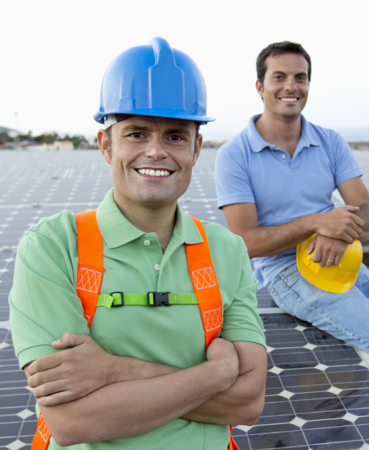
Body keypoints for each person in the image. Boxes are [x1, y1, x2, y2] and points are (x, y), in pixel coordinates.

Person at [9, 37, 266, 450]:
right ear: (106, 145)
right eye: (136, 133)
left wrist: (112, 371)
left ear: (197, 149)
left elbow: (247, 402)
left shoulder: (226, 250)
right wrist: (215, 375)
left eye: (176, 136)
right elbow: (72, 421)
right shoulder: (53, 247)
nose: (156, 151)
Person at [215, 41, 369, 409]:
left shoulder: (329, 141)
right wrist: (318, 224)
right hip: (287, 272)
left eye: (300, 77)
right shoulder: (234, 154)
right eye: (279, 77)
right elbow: (243, 242)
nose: (291, 86)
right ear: (260, 86)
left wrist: (339, 233)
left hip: (344, 258)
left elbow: (368, 212)